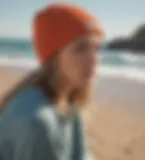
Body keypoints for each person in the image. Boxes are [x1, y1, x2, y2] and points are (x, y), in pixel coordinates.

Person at [0, 3, 104, 160]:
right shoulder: (37, 122)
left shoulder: (67, 100)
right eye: (81, 48)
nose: (94, 59)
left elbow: (81, 155)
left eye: (96, 48)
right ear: (54, 58)